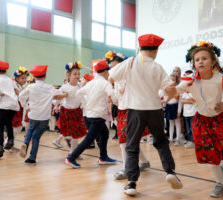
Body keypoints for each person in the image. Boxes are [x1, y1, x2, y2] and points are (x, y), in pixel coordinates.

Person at [109, 34, 183, 196]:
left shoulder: (130, 62)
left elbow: (111, 76)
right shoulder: (157, 67)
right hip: (155, 109)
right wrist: (166, 98)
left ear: (140, 48)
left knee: (132, 145)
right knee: (161, 141)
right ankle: (170, 172)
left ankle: (132, 183)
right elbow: (171, 89)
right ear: (155, 51)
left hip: (135, 110)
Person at [170, 41, 223, 198]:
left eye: (204, 58)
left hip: (221, 119)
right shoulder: (190, 80)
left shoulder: (221, 79)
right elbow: (174, 91)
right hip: (202, 121)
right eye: (197, 60)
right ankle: (220, 183)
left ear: (213, 62)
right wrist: (165, 90)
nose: (200, 62)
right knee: (210, 153)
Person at [65, 60, 117, 168]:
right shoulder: (105, 83)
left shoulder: (92, 82)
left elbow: (79, 93)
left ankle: (103, 157)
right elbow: (113, 96)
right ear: (105, 72)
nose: (108, 73)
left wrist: (86, 103)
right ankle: (71, 158)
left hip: (89, 115)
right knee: (89, 139)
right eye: (108, 71)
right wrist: (118, 102)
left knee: (105, 133)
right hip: (97, 116)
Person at [111, 52, 151, 180]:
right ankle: (144, 162)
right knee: (127, 140)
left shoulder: (131, 78)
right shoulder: (117, 81)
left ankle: (126, 169)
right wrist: (112, 99)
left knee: (124, 141)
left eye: (116, 67)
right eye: (111, 67)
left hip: (133, 110)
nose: (114, 70)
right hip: (122, 111)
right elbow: (118, 100)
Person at [19, 65, 67, 165]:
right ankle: (32, 158)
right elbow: (59, 94)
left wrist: (26, 106)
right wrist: (65, 94)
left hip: (33, 114)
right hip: (44, 117)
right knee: (36, 137)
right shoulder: (49, 87)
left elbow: (21, 96)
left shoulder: (30, 87)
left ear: (34, 77)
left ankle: (26, 143)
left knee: (30, 130)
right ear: (45, 77)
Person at [0, 60, 20, 159]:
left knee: (0, 127)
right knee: (9, 123)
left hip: (4, 105)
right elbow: (16, 90)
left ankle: (0, 147)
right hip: (13, 105)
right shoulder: (10, 80)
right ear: (5, 71)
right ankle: (10, 140)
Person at [58, 62, 87, 159]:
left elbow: (84, 96)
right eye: (75, 74)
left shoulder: (80, 85)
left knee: (76, 135)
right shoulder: (64, 87)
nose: (77, 76)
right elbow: (57, 97)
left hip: (77, 112)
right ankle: (72, 151)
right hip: (67, 113)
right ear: (68, 75)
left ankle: (73, 153)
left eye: (78, 74)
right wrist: (63, 96)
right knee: (69, 134)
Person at [164, 73, 182, 146]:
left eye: (173, 80)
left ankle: (177, 138)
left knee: (177, 123)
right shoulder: (167, 89)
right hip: (169, 107)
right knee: (171, 123)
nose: (171, 82)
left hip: (175, 106)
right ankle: (171, 138)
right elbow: (165, 98)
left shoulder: (178, 89)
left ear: (175, 81)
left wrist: (179, 111)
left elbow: (180, 101)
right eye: (170, 80)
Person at [180, 70, 197, 148]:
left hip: (193, 112)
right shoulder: (184, 92)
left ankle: (193, 141)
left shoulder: (194, 91)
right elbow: (182, 100)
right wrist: (187, 101)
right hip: (186, 113)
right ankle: (190, 140)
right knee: (188, 128)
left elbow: (194, 101)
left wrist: (187, 101)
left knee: (192, 127)